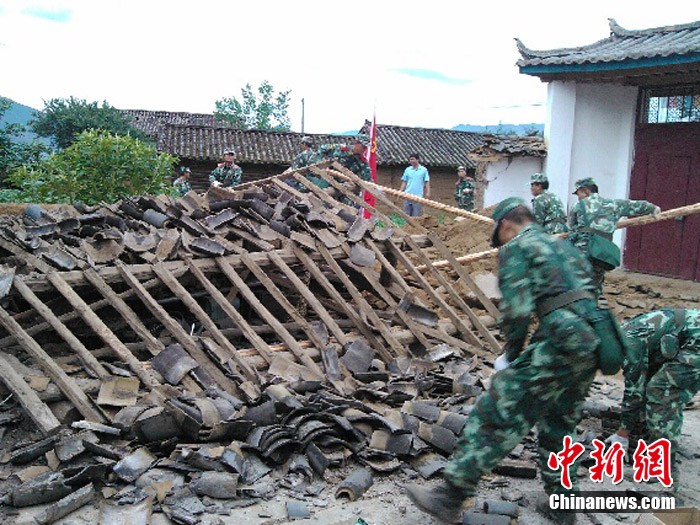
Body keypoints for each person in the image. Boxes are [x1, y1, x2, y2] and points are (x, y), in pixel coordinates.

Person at [406, 197, 601, 525]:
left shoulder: (518, 247)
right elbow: (588, 296)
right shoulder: (565, 248)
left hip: (559, 343)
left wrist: (510, 357)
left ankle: (449, 497)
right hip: (591, 344)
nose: (500, 246)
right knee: (560, 424)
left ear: (507, 226)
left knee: (494, 414)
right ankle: (562, 505)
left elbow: (518, 311)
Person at [606, 308, 699, 488]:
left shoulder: (629, 345)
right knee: (657, 382)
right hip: (691, 341)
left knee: (661, 390)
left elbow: (635, 391)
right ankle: (653, 433)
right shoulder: (625, 332)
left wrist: (622, 434)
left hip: (696, 343)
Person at [568, 177, 659, 298]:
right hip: (601, 253)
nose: (578, 197)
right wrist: (653, 209)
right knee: (595, 284)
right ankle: (593, 306)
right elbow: (635, 206)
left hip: (582, 251)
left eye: (578, 193)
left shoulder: (577, 206)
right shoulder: (614, 204)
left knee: (575, 283)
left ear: (585, 191)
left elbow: (572, 226)